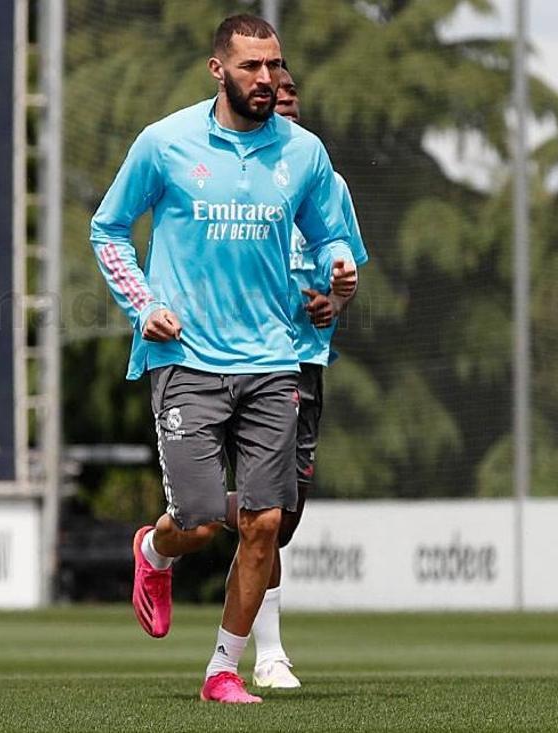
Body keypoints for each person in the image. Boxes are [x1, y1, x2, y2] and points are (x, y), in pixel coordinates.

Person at [89, 14, 358, 704]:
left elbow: (332, 234)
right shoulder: (164, 142)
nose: (267, 78)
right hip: (186, 358)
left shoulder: (304, 153)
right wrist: (143, 305)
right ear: (218, 70)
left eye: (274, 65)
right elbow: (108, 229)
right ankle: (154, 550)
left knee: (266, 522)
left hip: (274, 359)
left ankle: (223, 669)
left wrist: (338, 268)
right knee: (203, 521)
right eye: (251, 67)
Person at [221, 66, 369, 691]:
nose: (284, 111)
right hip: (239, 357)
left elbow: (347, 269)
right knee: (266, 514)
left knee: (282, 519)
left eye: (291, 104)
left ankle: (190, 516)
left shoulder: (324, 179)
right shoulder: (232, 177)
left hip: (304, 362)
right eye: (274, 102)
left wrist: (334, 301)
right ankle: (269, 654)